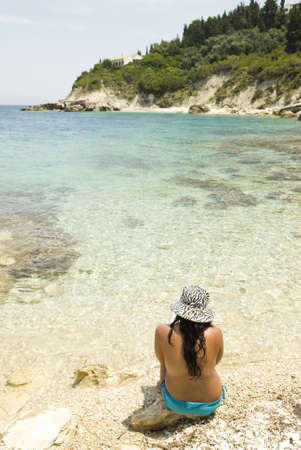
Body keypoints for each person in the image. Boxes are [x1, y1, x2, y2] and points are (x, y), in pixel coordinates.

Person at [155, 285, 225, 416]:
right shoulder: (216, 333)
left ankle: (162, 386)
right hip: (210, 403)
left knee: (167, 368)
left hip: (175, 403)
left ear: (180, 309)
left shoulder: (162, 331)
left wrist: (162, 382)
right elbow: (216, 361)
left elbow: (163, 361)